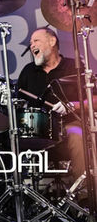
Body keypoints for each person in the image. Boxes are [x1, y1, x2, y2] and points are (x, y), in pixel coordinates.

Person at [17, 26, 89, 191]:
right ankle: (19, 196)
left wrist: (73, 106)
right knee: (8, 139)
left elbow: (94, 99)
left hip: (69, 125)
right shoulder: (28, 71)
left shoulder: (74, 67)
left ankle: (85, 196)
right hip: (38, 129)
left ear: (52, 41)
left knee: (77, 136)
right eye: (30, 43)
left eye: (36, 40)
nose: (31, 45)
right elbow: (18, 103)